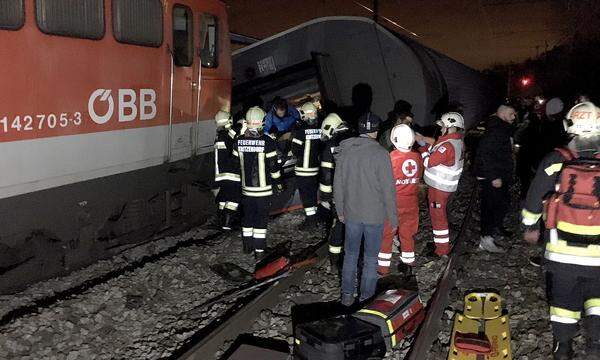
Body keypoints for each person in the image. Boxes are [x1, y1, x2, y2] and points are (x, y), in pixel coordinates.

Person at [522, 102, 600, 360]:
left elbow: (534, 197)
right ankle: (595, 346)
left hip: (562, 253)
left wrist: (530, 226)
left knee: (563, 304)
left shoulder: (556, 159)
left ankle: (563, 348)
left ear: (568, 125)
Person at [334, 112, 397, 306]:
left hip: (351, 214)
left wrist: (340, 211)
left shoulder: (346, 151)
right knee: (370, 259)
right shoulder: (380, 154)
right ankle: (366, 298)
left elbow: (338, 184)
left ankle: (346, 296)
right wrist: (393, 219)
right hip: (374, 217)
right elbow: (388, 190)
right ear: (376, 132)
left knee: (350, 255)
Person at [232, 107, 282, 258]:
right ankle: (259, 251)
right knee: (261, 219)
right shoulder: (268, 142)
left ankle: (247, 246)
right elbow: (273, 167)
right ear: (262, 122)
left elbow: (235, 165)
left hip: (246, 190)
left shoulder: (238, 141)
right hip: (263, 190)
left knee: (248, 217)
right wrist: (278, 182)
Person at [417, 112, 465, 257]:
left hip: (439, 189)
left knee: (438, 218)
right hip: (445, 188)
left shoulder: (448, 146)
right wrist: (424, 139)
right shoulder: (456, 141)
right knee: (440, 216)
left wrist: (422, 147)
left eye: (443, 126)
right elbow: (437, 144)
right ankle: (441, 245)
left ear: (450, 126)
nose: (441, 128)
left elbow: (428, 162)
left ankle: (441, 250)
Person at [378, 124, 423, 274]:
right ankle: (408, 267)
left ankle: (382, 269)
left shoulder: (389, 158)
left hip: (392, 203)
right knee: (407, 235)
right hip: (411, 202)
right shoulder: (417, 157)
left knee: (387, 236)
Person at [474, 105, 517, 253]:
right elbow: (486, 154)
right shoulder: (497, 130)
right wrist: (493, 176)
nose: (514, 117)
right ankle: (486, 238)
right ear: (503, 114)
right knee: (491, 206)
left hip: (499, 174)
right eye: (511, 114)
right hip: (494, 177)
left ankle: (493, 230)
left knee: (501, 203)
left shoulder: (501, 128)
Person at [319, 113, 351, 271]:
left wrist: (325, 197)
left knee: (338, 226)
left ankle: (335, 261)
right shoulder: (355, 141)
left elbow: (326, 175)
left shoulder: (329, 147)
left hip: (339, 196)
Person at [291, 102, 322, 229]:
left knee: (306, 196)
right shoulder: (321, 130)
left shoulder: (299, 132)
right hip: (316, 169)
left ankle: (311, 221)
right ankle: (314, 218)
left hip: (303, 170)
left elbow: (295, 150)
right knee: (313, 194)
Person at [213, 110, 241, 230]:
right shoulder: (225, 136)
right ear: (229, 120)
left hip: (222, 175)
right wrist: (239, 125)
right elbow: (232, 136)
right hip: (232, 173)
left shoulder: (219, 136)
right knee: (233, 199)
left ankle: (220, 220)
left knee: (223, 198)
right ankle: (227, 224)